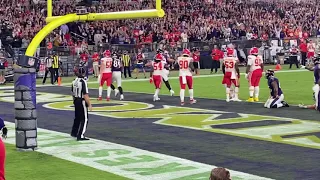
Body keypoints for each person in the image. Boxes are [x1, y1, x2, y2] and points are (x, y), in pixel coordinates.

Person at [71, 67, 92, 141]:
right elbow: (85, 94)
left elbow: (72, 93)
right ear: (83, 73)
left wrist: (74, 100)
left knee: (77, 117)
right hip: (81, 101)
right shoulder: (83, 82)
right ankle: (80, 135)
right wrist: (89, 104)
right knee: (85, 119)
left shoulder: (74, 81)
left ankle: (74, 132)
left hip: (76, 99)